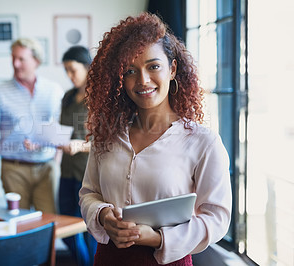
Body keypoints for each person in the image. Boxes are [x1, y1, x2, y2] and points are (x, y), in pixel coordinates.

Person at [79, 12, 232, 266]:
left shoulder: (202, 141)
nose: (143, 80)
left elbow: (217, 218)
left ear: (172, 69)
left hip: (167, 261)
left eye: (153, 66)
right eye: (130, 70)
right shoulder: (108, 134)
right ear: (120, 79)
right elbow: (89, 194)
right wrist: (104, 215)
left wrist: (158, 238)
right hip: (109, 258)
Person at [0, 38, 64, 214]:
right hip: (13, 169)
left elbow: (59, 129)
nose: (15, 64)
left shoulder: (53, 90)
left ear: (36, 61)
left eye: (21, 59)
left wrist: (56, 162)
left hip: (47, 168)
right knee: (18, 224)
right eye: (13, 58)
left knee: (49, 224)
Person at [57, 46, 96, 266]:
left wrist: (81, 146)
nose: (70, 76)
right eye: (66, 71)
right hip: (66, 172)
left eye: (72, 70)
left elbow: (109, 141)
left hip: (88, 174)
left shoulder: (101, 98)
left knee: (91, 230)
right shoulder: (68, 97)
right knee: (67, 228)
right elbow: (63, 132)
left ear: (87, 66)